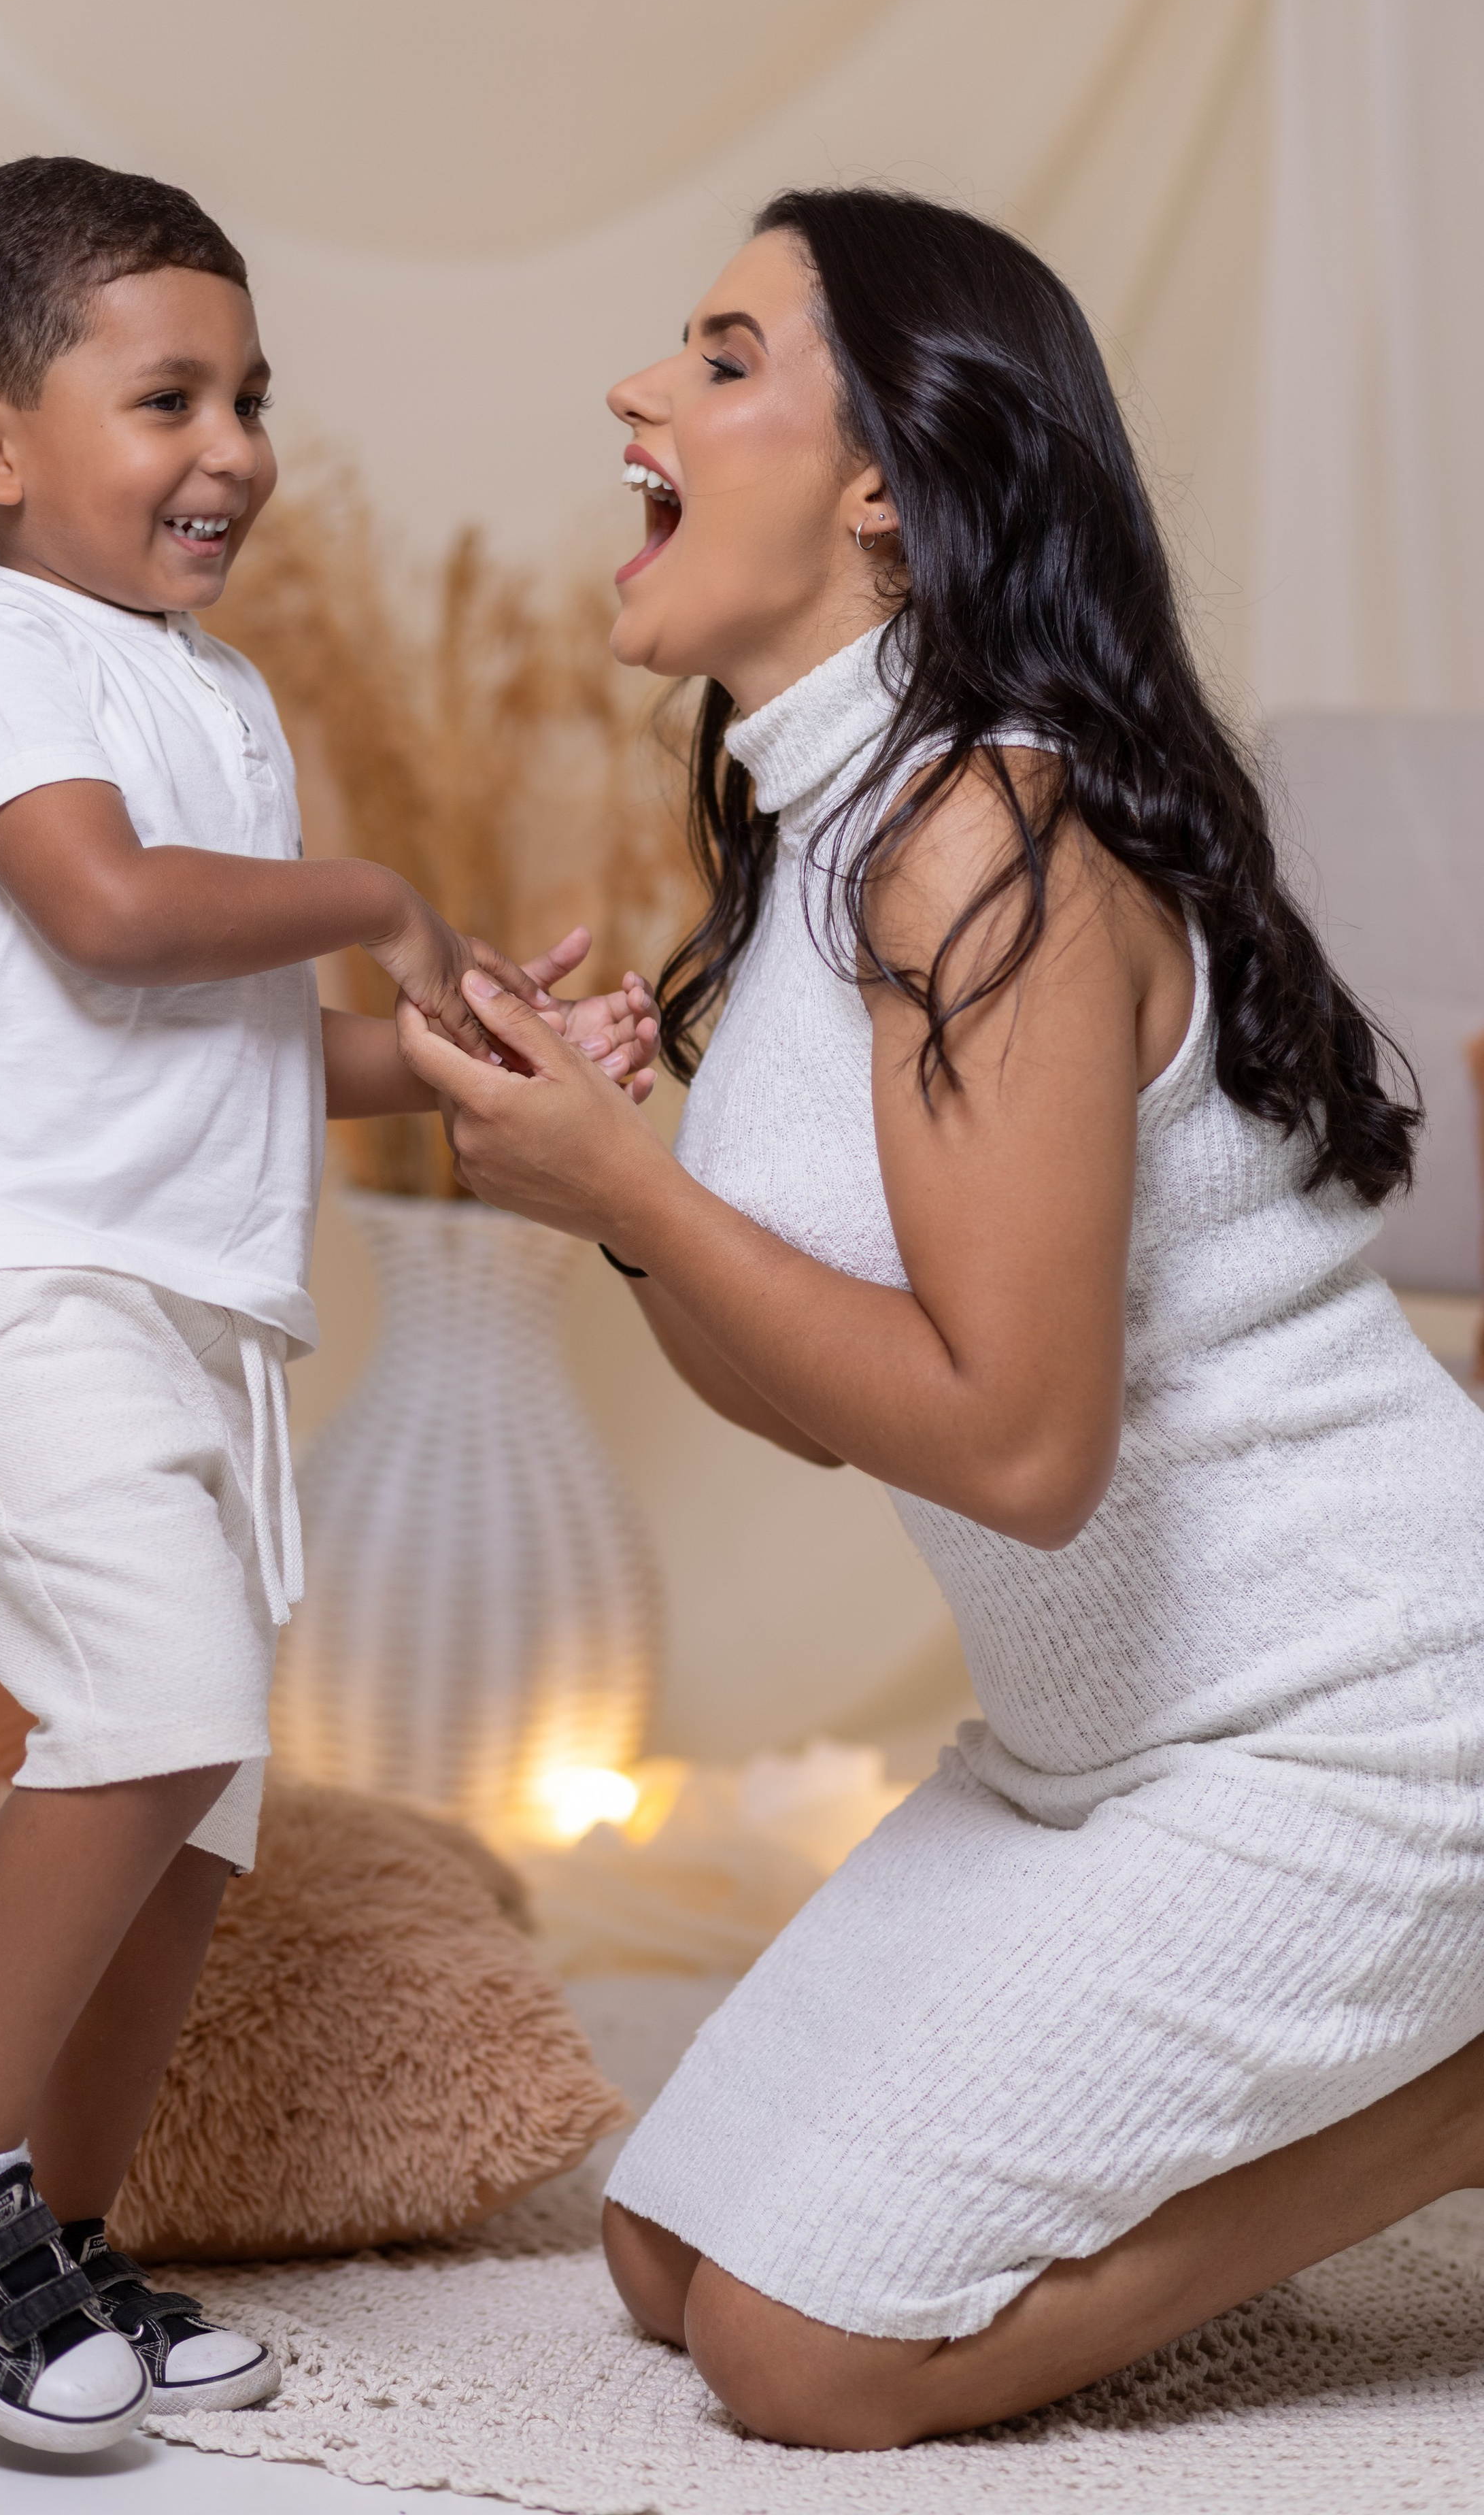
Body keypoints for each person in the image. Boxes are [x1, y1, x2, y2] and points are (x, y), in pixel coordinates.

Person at [394, 186, 1484, 2450]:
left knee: (809, 2358)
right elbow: (817, 1407)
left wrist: (638, 1198)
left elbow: (1013, 1450)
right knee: (662, 2262)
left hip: (1366, 1722)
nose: (634, 391)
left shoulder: (985, 836)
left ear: (887, 482)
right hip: (1099, 1751)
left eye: (714, 356)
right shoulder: (830, 839)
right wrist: (630, 1201)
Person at [0, 154, 658, 2457]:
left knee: (192, 1798)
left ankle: (59, 2231)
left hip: (199, 1303)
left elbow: (255, 1051)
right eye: (168, 397)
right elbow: (102, 915)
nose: (233, 451)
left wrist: (477, 1057)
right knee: (150, 1695)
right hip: (19, 1271)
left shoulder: (222, 695)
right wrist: (386, 882)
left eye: (254, 399)